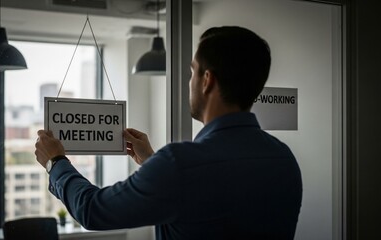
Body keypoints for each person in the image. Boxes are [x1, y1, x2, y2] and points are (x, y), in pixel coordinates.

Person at [35, 26, 302, 240]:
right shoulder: (284, 160)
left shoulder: (180, 164)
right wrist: (153, 162)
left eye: (192, 72)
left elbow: (93, 211)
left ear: (207, 80)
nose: (190, 82)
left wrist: (56, 162)